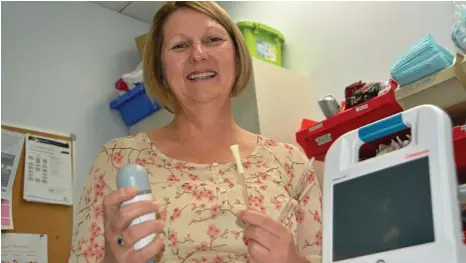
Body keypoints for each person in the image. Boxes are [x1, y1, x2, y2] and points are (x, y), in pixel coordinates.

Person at [68, 2, 322, 263]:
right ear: (160, 70)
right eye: (179, 45)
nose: (198, 54)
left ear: (237, 57)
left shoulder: (291, 163)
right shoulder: (117, 160)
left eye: (213, 39)